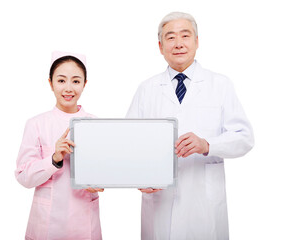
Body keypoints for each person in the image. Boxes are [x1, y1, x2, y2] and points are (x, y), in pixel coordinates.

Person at [126, 12, 254, 239]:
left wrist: (207, 144)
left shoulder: (220, 84)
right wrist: (139, 177)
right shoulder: (147, 89)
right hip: (159, 203)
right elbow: (128, 143)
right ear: (160, 46)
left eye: (185, 36)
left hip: (204, 205)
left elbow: (244, 138)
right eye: (170, 37)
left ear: (197, 41)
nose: (178, 44)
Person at [15, 51, 103, 240]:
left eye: (76, 81)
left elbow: (104, 170)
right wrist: (54, 159)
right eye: (61, 81)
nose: (68, 88)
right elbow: (23, 177)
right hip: (47, 223)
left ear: (85, 84)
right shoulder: (36, 124)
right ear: (50, 83)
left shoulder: (95, 123)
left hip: (84, 222)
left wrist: (99, 182)